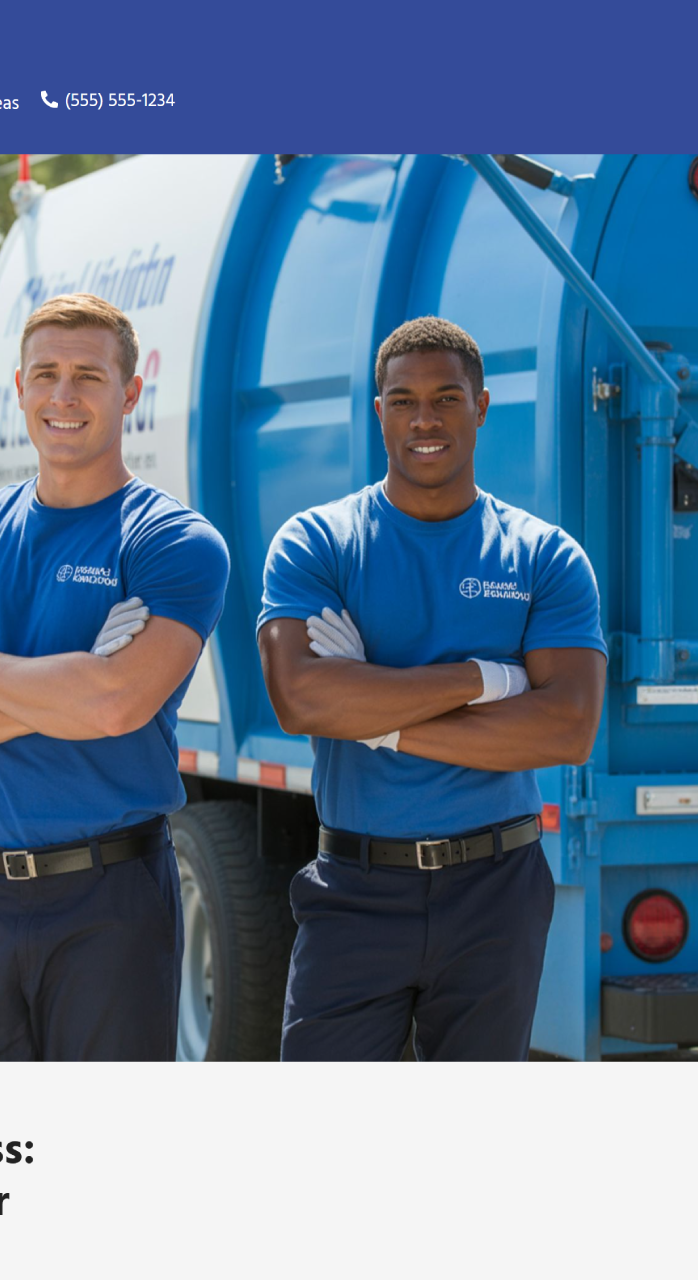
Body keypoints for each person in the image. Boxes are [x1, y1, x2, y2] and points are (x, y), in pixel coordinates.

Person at [0, 292, 229, 1062]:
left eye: (88, 377)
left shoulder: (173, 542)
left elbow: (114, 706)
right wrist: (68, 692)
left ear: (130, 393)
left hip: (109, 902)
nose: (63, 395)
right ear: (19, 388)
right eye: (45, 374)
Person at [258, 316, 605, 1061]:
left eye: (447, 398)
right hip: (356, 886)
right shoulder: (319, 543)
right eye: (403, 400)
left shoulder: (544, 557)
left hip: (496, 890)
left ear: (481, 407)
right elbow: (302, 701)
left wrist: (376, 715)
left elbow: (566, 729)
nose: (425, 419)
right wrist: (487, 678)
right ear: (378, 411)